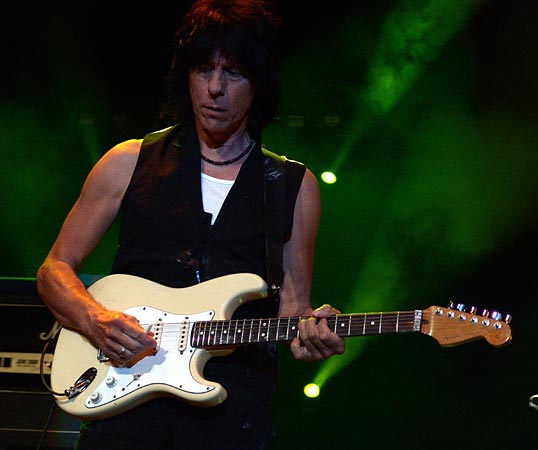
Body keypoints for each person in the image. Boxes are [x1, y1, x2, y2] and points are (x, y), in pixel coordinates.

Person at [36, 1, 345, 449]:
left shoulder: (293, 185)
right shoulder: (128, 161)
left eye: (233, 73)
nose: (215, 88)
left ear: (259, 83)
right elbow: (54, 268)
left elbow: (294, 312)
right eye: (204, 70)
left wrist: (311, 332)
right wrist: (95, 319)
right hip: (124, 407)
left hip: (232, 417)